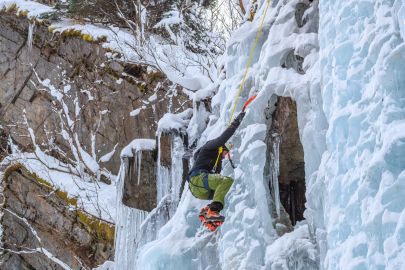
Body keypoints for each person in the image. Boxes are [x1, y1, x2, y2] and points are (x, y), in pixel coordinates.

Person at [187, 110, 246, 225]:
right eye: (225, 152)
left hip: (200, 191)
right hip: (197, 179)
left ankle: (207, 211)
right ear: (221, 148)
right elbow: (223, 138)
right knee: (225, 181)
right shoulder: (209, 147)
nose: (225, 156)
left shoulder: (216, 163)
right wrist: (236, 122)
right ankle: (213, 211)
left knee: (228, 189)